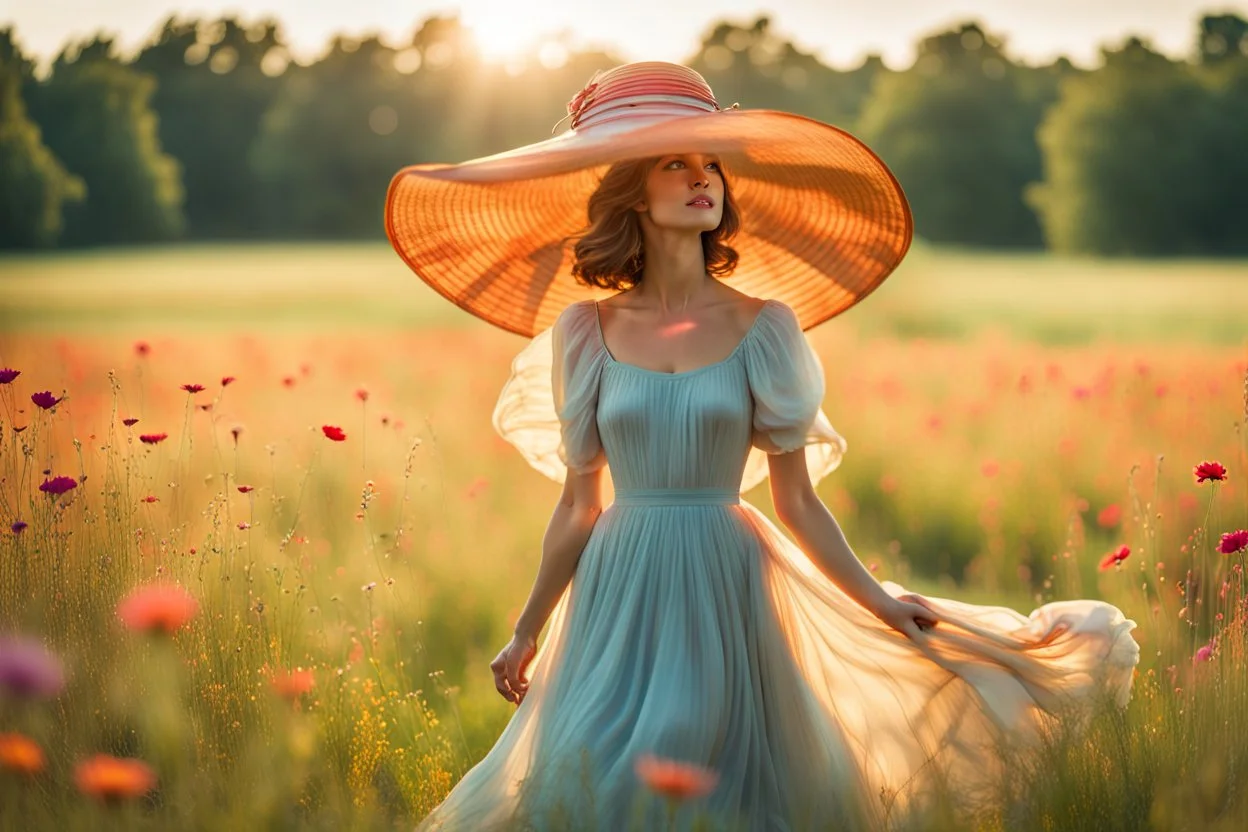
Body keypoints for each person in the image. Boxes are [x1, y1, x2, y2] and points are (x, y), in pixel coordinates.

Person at [385, 62, 1139, 832]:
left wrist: (879, 602)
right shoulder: (584, 332)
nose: (701, 177)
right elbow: (579, 504)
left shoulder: (765, 328)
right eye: (673, 163)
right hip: (616, 587)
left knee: (709, 775)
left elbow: (798, 500)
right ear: (630, 196)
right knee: (593, 783)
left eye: (710, 162)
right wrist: (527, 628)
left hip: (728, 579)